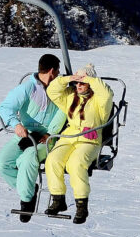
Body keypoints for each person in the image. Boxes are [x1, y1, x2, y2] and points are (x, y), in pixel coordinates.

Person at [0, 54, 66, 223]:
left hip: (47, 137)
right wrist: (16, 125)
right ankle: (29, 189)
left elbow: (63, 111)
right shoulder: (28, 88)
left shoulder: (59, 90)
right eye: (57, 71)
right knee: (1, 163)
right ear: (51, 71)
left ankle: (26, 201)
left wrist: (50, 134)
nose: (58, 75)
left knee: (28, 159)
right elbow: (5, 107)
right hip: (26, 133)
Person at [44, 63, 113, 224]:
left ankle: (82, 205)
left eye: (83, 82)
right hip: (70, 135)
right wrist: (69, 79)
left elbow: (107, 94)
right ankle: (58, 199)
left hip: (90, 138)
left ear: (90, 82)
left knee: (75, 164)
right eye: (77, 83)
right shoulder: (69, 96)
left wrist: (89, 78)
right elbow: (52, 91)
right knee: (52, 160)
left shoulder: (99, 100)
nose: (79, 85)